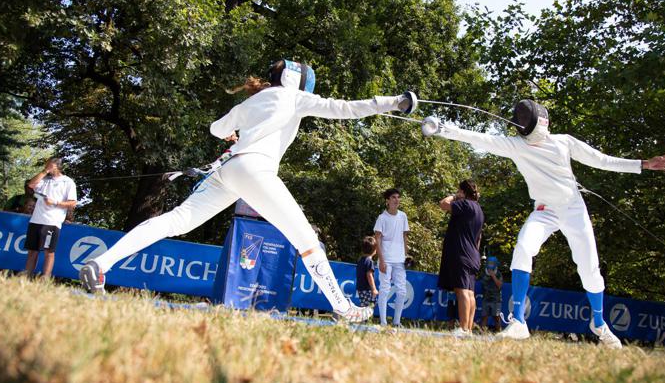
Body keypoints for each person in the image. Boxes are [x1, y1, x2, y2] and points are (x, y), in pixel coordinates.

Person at [79, 59, 417, 323]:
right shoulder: (295, 98)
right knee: (307, 243)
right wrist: (396, 102)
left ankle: (100, 263)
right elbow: (348, 109)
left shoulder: (254, 101)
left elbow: (216, 128)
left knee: (175, 220)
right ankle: (343, 307)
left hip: (230, 171)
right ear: (298, 81)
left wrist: (236, 132)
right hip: (255, 170)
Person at [421, 99, 665, 348]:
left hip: (573, 209)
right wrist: (441, 128)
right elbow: (478, 138)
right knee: (523, 247)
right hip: (544, 210)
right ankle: (518, 321)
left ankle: (599, 323)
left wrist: (643, 164)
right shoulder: (517, 145)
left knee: (589, 268)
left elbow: (602, 160)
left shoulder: (564, 142)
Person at [437, 180, 484, 335]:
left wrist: (453, 196)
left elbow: (443, 204)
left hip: (461, 254)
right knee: (470, 292)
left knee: (461, 290)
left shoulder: (465, 204)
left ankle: (463, 328)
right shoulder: (479, 209)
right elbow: (479, 237)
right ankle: (468, 329)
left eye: (459, 190)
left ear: (463, 192)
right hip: (473, 255)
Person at [24, 158, 78, 279]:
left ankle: (45, 279)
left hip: (52, 222)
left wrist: (55, 202)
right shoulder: (44, 179)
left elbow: (73, 203)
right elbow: (31, 185)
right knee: (32, 251)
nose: (46, 166)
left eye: (49, 165)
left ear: (56, 166)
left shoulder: (68, 182)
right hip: (36, 220)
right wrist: (44, 171)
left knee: (49, 252)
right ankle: (26, 277)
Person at [374, 188, 410, 327]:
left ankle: (396, 322)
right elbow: (377, 239)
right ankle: (383, 322)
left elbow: (404, 236)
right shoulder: (382, 218)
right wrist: (381, 260)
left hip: (400, 259)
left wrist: (406, 256)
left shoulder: (403, 216)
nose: (397, 200)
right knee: (385, 289)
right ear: (387, 201)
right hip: (386, 259)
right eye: (393, 197)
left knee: (402, 290)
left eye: (398, 197)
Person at [481, 256, 503, 332]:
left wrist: (493, 275)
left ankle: (499, 333)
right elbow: (483, 284)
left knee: (497, 317)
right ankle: (482, 334)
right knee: (484, 317)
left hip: (496, 300)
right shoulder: (484, 273)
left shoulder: (499, 274)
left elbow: (500, 285)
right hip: (486, 299)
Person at [355, 236, 378, 308]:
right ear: (374, 250)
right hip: (367, 289)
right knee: (370, 305)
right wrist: (374, 289)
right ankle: (365, 318)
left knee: (364, 305)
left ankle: (363, 318)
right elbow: (369, 275)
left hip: (360, 288)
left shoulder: (360, 260)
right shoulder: (370, 262)